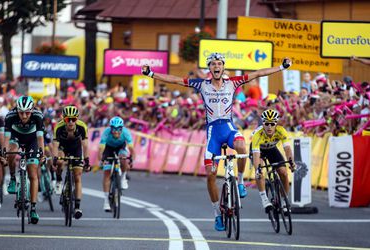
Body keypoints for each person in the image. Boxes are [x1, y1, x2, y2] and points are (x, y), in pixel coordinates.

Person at [141, 52, 292, 231]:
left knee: (241, 145)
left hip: (228, 128)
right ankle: (217, 214)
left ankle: (241, 182)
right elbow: (174, 80)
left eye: (219, 63)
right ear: (210, 68)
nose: (216, 66)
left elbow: (258, 73)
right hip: (213, 132)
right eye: (213, 64)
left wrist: (281, 67)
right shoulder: (201, 84)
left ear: (223, 66)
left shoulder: (233, 82)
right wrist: (151, 74)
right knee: (210, 175)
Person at [4, 96, 45, 224]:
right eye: (21, 112)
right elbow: (6, 137)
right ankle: (12, 178)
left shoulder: (38, 116)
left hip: (32, 140)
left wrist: (41, 153)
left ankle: (33, 208)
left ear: (32, 110)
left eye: (27, 112)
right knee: (10, 152)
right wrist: (4, 153)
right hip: (16, 137)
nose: (24, 115)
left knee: (33, 172)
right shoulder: (10, 116)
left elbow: (40, 138)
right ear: (17, 110)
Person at [250, 109, 295, 213]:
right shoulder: (257, 134)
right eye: (266, 124)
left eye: (272, 124)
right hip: (259, 151)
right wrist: (258, 169)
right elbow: (256, 155)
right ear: (263, 123)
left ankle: (284, 201)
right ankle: (265, 200)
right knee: (260, 173)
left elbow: (287, 149)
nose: (269, 127)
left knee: (283, 173)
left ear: (276, 124)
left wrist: (291, 163)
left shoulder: (281, 131)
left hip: (271, 149)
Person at [53, 105, 90, 220]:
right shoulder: (58, 127)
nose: (70, 122)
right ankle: (58, 179)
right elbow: (55, 145)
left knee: (78, 176)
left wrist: (87, 160)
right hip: (63, 148)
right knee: (60, 162)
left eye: (73, 119)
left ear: (77, 119)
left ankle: (77, 207)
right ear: (63, 119)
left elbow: (85, 145)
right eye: (68, 119)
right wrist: (55, 158)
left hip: (76, 149)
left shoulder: (82, 126)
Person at [98, 116, 134, 212]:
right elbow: (101, 148)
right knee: (106, 172)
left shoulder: (126, 132)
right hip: (108, 149)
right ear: (111, 128)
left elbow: (131, 148)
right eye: (114, 128)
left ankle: (123, 178)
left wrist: (131, 159)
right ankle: (106, 201)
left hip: (121, 148)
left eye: (119, 129)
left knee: (123, 159)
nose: (116, 131)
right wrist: (102, 159)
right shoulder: (106, 132)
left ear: (122, 128)